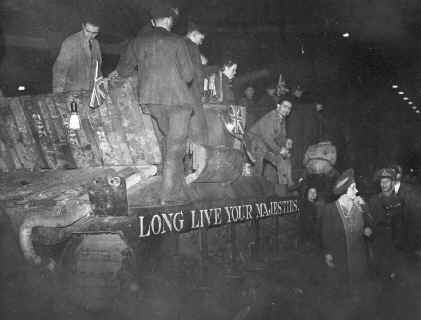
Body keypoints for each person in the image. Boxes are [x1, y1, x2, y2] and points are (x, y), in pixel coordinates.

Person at [116, 4, 195, 205]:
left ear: (152, 22)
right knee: (176, 147)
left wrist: (146, 73)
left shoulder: (137, 42)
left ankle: (178, 188)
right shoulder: (178, 41)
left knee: (168, 143)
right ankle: (169, 196)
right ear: (169, 21)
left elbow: (123, 71)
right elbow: (188, 76)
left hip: (151, 102)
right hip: (177, 101)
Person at [321, 168, 371, 288]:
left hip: (359, 258)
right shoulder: (330, 209)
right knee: (343, 289)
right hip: (341, 258)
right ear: (344, 191)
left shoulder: (359, 205)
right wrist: (328, 253)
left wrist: (364, 208)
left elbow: (370, 225)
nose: (357, 190)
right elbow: (326, 233)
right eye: (353, 187)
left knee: (359, 288)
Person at [246, 98, 294, 193]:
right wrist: (280, 150)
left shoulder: (281, 119)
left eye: (289, 108)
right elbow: (267, 138)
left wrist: (286, 144)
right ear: (278, 106)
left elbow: (281, 137)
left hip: (266, 145)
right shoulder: (271, 117)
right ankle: (255, 190)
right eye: (285, 106)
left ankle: (285, 187)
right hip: (253, 144)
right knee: (258, 166)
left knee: (283, 159)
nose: (287, 110)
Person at [368, 168, 405, 279]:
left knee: (394, 276)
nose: (383, 184)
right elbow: (368, 220)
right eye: (381, 182)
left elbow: (402, 223)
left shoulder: (400, 201)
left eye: (386, 182)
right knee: (379, 275)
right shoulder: (373, 200)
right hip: (378, 243)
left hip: (394, 244)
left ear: (393, 183)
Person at [52, 15, 102, 93]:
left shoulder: (96, 44)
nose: (90, 36)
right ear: (83, 26)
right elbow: (59, 71)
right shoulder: (70, 42)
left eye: (94, 33)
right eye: (88, 31)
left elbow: (98, 70)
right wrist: (58, 94)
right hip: (71, 92)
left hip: (90, 93)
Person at [184, 21, 208, 146]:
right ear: (194, 34)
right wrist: (201, 92)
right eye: (201, 38)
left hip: (179, 95)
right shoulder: (192, 47)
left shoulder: (179, 44)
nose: (201, 42)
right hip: (192, 94)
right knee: (200, 130)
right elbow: (198, 74)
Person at [392, 164, 421, 256]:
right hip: (391, 240)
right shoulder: (385, 191)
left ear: (398, 175)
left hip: (406, 240)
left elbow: (414, 218)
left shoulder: (409, 191)